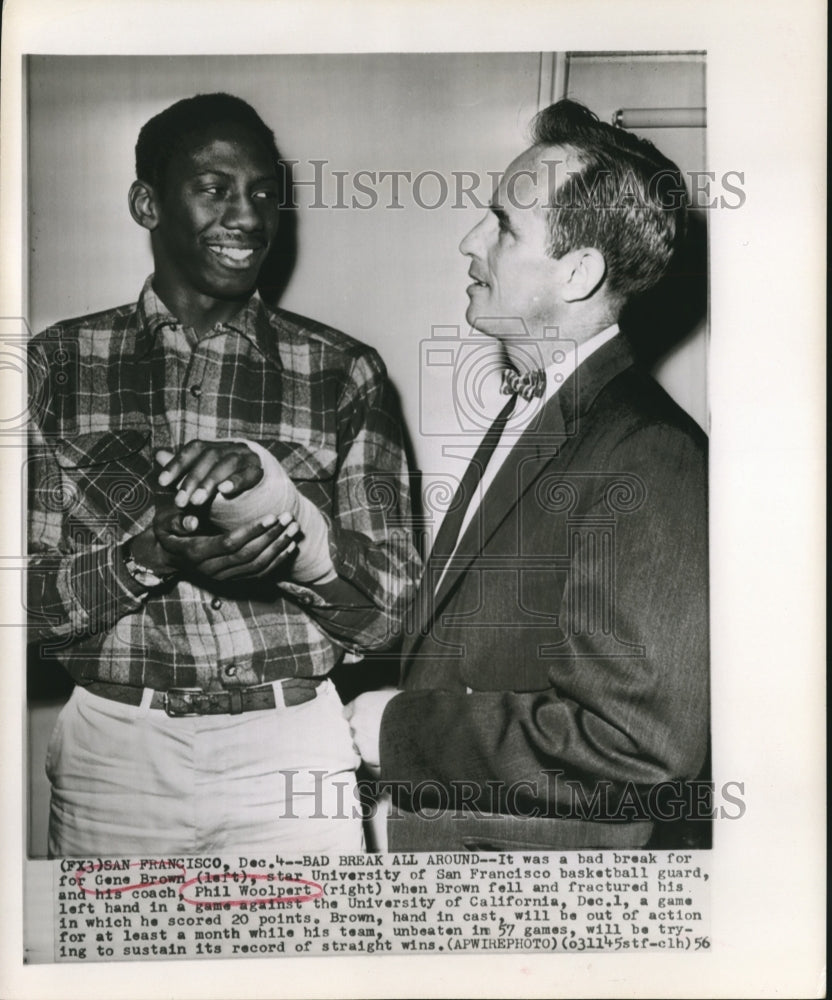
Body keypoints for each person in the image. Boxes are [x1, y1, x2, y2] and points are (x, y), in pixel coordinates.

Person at [27, 92, 419, 858]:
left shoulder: (342, 372)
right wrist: (147, 557)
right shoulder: (55, 365)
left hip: (290, 750)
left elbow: (393, 618)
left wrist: (297, 539)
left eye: (266, 193)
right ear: (147, 202)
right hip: (116, 755)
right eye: (216, 189)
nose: (249, 216)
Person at [347, 99, 709, 851]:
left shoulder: (650, 453)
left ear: (577, 273)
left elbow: (636, 743)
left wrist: (398, 727)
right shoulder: (540, 412)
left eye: (505, 225)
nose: (470, 241)